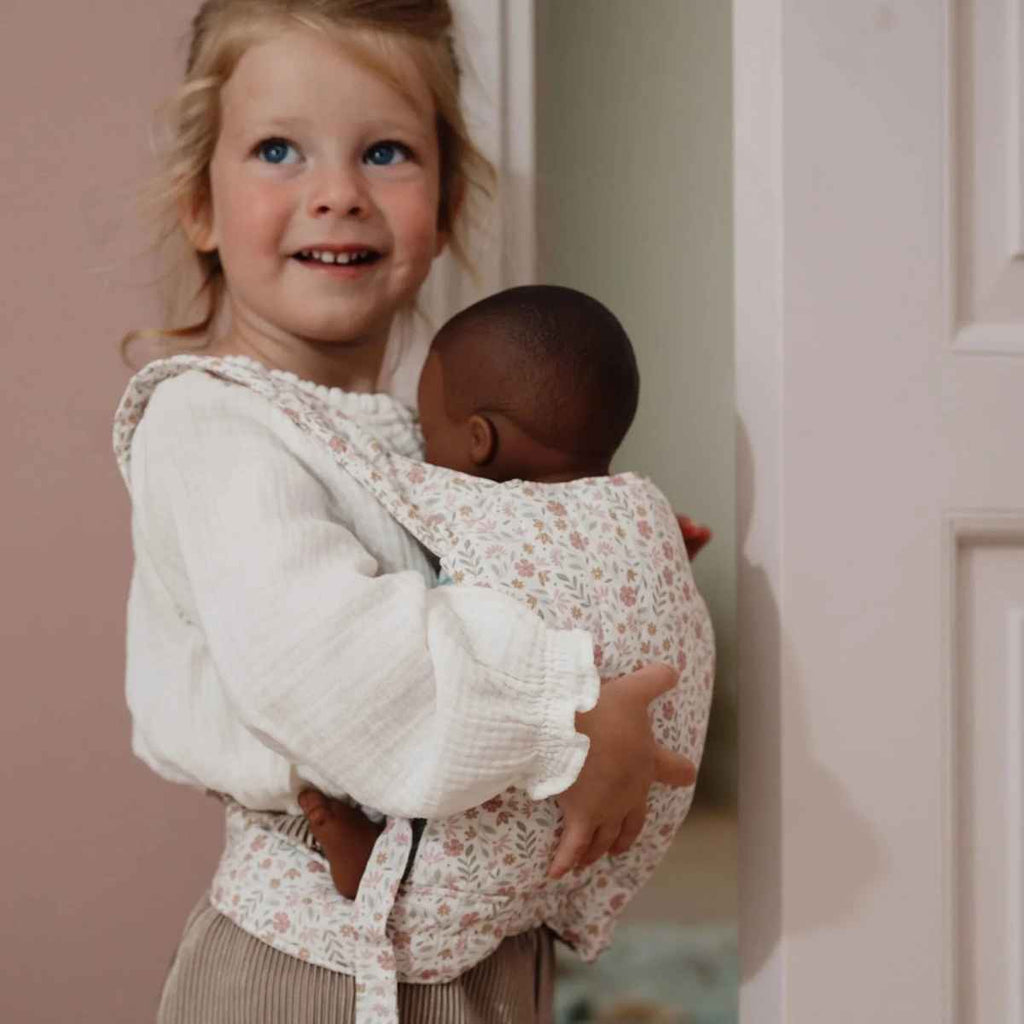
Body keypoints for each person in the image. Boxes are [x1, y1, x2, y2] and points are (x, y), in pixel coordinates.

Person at [113, 2, 700, 1021]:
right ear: (200, 206)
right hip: (316, 970)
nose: (335, 194)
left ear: (446, 198)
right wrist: (561, 715)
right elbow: (334, 665)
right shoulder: (212, 426)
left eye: (384, 151)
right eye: (278, 150)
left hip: (475, 951)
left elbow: (466, 587)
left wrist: (588, 569)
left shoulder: (405, 437)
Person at [292, 282, 715, 976]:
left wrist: (279, 402)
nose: (423, 451)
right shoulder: (644, 507)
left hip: (526, 804)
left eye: (429, 432)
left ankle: (384, 874)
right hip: (634, 807)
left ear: (479, 441)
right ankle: (573, 909)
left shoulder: (477, 506)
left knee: (462, 806)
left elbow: (367, 470)